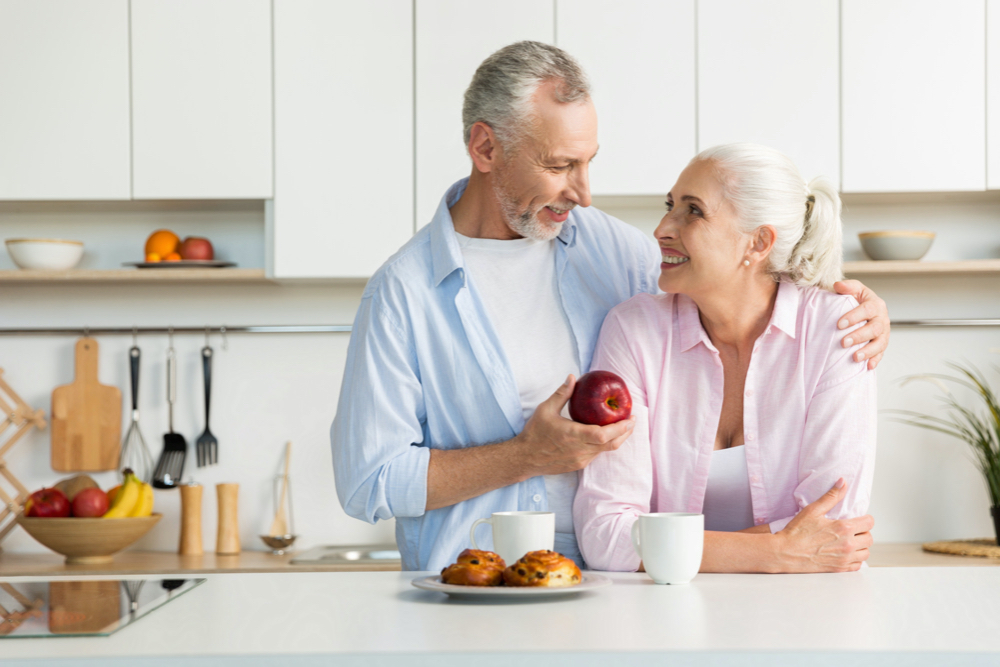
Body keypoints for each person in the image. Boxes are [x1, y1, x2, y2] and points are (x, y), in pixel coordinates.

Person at [330, 42, 889, 572]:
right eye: (559, 165)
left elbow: (731, 275)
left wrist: (858, 308)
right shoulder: (402, 295)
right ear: (485, 148)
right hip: (473, 586)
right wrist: (525, 455)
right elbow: (369, 482)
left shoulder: (611, 251)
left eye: (588, 162)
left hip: (609, 592)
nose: (583, 192)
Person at [574, 143, 876, 573]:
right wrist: (775, 551)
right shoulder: (633, 330)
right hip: (666, 612)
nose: (662, 227)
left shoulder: (837, 329)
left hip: (808, 608)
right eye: (670, 205)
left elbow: (835, 530)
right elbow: (604, 535)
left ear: (758, 242)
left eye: (693, 211)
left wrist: (663, 549)